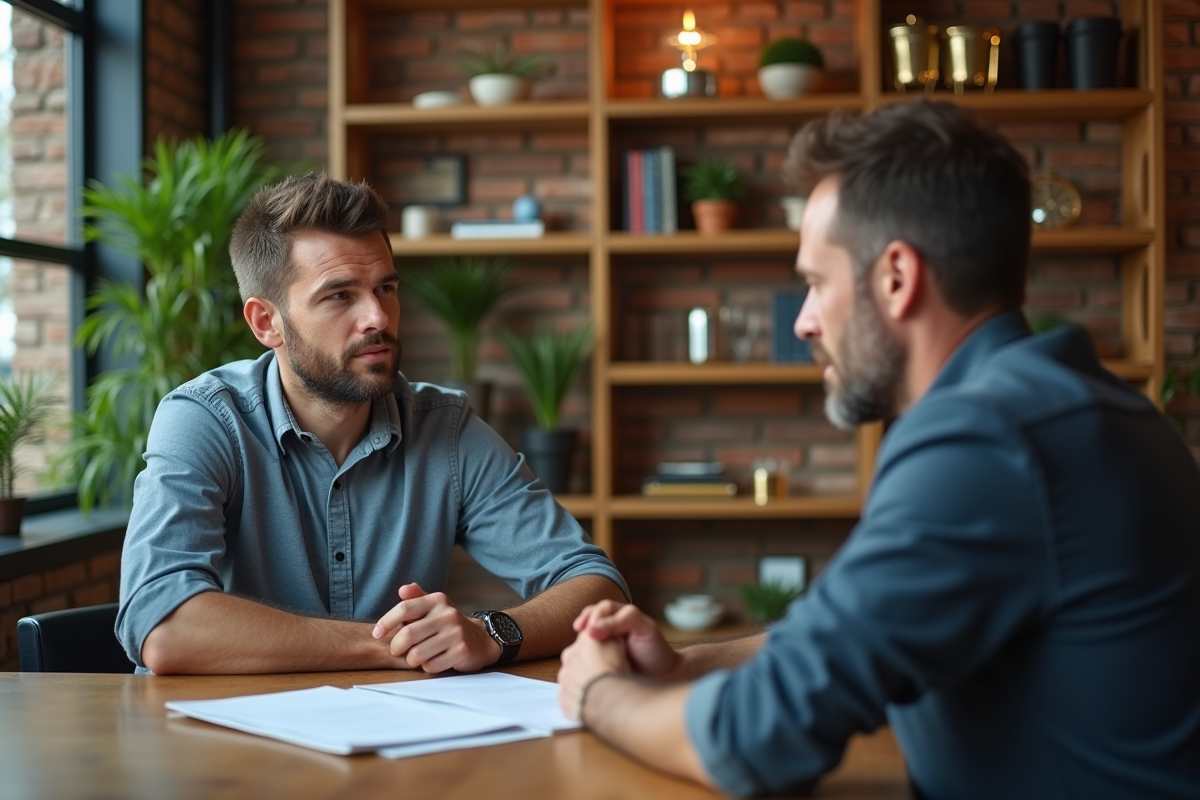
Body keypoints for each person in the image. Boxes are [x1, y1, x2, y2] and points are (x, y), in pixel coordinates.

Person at [557, 99, 1200, 799]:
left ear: (896, 277)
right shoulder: (1070, 406)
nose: (803, 322)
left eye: (814, 282)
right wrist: (683, 666)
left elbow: (756, 743)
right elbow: (848, 628)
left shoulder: (986, 440)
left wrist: (599, 693)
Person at [117, 173, 628, 675]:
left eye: (386, 288)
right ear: (265, 322)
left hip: (389, 741)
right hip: (220, 744)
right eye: (340, 295)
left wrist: (492, 633)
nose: (378, 318)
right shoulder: (206, 419)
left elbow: (594, 582)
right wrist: (394, 646)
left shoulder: (444, 428)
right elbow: (162, 625)